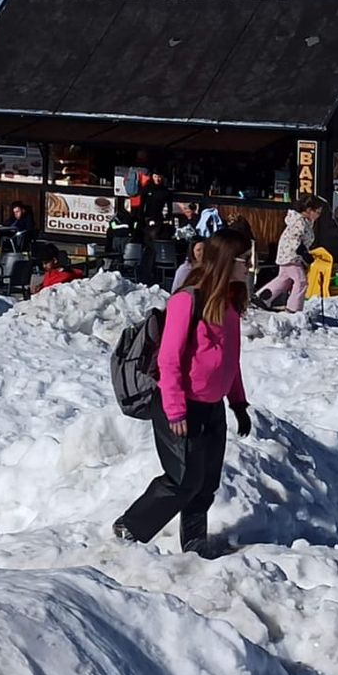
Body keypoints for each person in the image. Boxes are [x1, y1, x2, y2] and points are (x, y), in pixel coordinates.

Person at [113, 229, 253, 557]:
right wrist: (175, 409)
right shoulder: (186, 300)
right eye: (244, 259)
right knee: (183, 479)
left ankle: (194, 544)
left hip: (212, 406)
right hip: (179, 405)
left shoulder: (229, 305)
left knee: (206, 482)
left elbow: (230, 360)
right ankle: (130, 527)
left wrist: (238, 403)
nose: (249, 266)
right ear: (225, 261)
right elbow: (169, 359)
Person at [254, 194, 325, 313]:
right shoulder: (298, 222)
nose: (319, 215)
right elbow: (294, 239)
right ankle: (293, 308)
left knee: (284, 279)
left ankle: (263, 298)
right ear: (309, 210)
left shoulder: (307, 221)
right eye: (317, 212)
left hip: (290, 255)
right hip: (290, 255)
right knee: (301, 281)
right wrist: (303, 253)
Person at [141, 172, 174, 236]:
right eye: (155, 177)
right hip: (147, 217)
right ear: (152, 177)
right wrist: (141, 217)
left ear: (162, 177)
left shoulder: (165, 191)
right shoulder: (147, 188)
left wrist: (168, 217)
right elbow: (142, 204)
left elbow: (170, 206)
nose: (157, 179)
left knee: (156, 234)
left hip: (159, 218)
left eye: (159, 177)